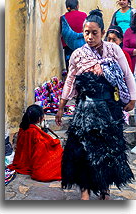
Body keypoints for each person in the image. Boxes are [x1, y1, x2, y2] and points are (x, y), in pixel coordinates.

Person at [55, 9, 136, 200]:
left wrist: (132, 99)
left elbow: (126, 75)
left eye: (94, 33)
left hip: (109, 110)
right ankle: (85, 192)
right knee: (83, 151)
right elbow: (70, 81)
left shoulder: (114, 50)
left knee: (107, 152)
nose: (89, 37)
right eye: (86, 33)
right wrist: (61, 106)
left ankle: (104, 190)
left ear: (101, 32)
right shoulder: (77, 55)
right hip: (85, 112)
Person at [8, 104, 63, 182]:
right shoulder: (34, 131)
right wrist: (55, 143)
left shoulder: (23, 128)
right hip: (30, 162)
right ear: (39, 119)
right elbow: (41, 147)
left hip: (22, 162)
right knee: (58, 151)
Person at [60, 0, 87, 72]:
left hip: (68, 46)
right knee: (82, 67)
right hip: (82, 45)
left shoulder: (63, 18)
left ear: (67, 7)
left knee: (70, 67)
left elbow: (63, 32)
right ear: (77, 6)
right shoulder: (84, 15)